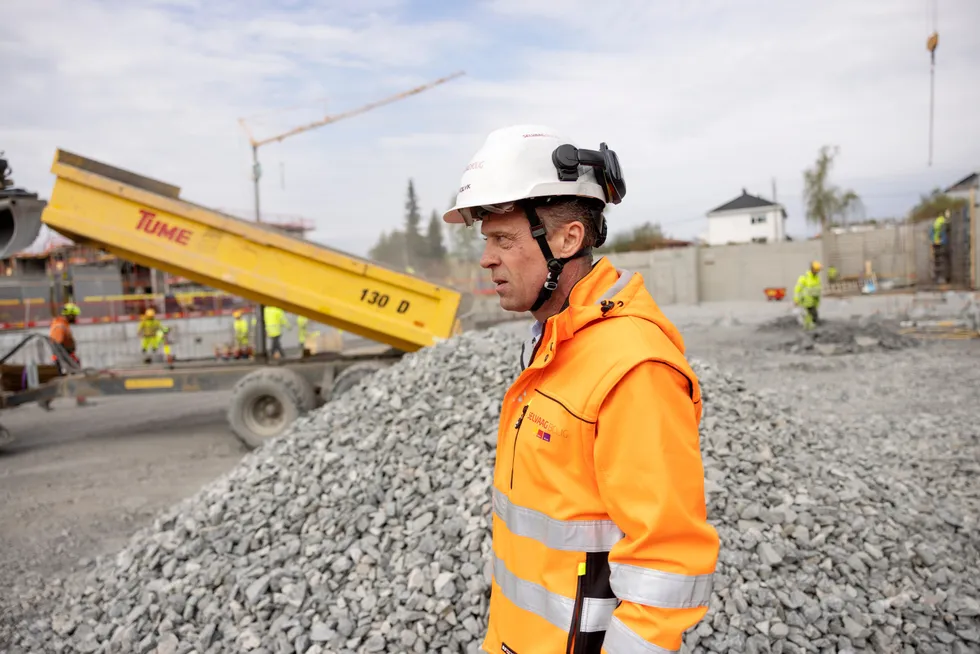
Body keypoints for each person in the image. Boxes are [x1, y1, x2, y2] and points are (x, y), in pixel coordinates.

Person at [442, 125, 719, 653]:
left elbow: (666, 565)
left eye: (505, 240)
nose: (487, 259)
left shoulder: (633, 368)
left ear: (568, 239)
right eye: (487, 241)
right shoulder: (553, 341)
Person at [43, 303, 88, 409]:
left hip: (67, 359)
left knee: (74, 378)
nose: (76, 318)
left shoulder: (63, 324)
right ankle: (46, 399)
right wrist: (66, 361)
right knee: (66, 380)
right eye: (75, 315)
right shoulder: (60, 326)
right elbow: (57, 346)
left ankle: (80, 399)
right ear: (70, 315)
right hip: (64, 360)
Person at [793, 261, 822, 330]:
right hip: (806, 302)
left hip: (813, 302)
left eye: (818, 270)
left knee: (814, 316)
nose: (818, 271)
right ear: (812, 269)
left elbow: (818, 290)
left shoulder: (817, 278)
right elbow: (797, 289)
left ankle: (811, 328)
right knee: (809, 317)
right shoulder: (804, 278)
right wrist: (796, 300)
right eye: (816, 269)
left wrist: (817, 301)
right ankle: (808, 330)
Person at [932, 209, 950, 284]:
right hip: (940, 240)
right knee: (942, 257)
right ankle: (942, 278)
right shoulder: (941, 220)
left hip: (936, 240)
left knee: (938, 259)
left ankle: (939, 278)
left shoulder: (936, 221)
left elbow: (935, 229)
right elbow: (947, 223)